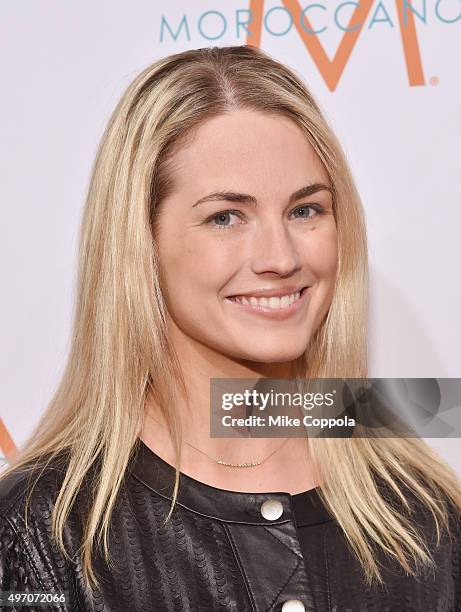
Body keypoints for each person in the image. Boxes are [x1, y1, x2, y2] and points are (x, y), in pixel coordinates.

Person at [0, 45, 460, 612]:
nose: (279, 256)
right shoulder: (43, 530)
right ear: (140, 244)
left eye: (305, 210)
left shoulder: (428, 515)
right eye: (226, 216)